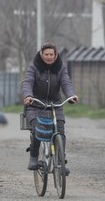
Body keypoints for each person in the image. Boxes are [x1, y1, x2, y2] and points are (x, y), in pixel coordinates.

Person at [21, 42, 79, 172]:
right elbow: (27, 82)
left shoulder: (61, 67)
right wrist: (28, 96)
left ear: (55, 55)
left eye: (51, 54)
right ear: (41, 54)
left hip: (55, 105)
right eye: (46, 54)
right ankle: (34, 158)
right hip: (35, 105)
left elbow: (66, 83)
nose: (48, 57)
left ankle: (60, 162)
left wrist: (71, 96)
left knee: (60, 131)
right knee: (37, 129)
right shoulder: (33, 67)